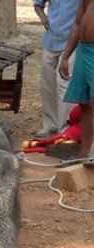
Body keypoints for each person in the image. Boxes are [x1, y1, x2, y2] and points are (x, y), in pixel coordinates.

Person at [34, 0, 79, 139]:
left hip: (72, 43)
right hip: (51, 40)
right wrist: (44, 18)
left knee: (64, 85)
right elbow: (38, 4)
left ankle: (65, 129)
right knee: (47, 85)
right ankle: (50, 126)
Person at [59, 0, 94, 158]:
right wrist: (65, 57)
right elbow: (78, 23)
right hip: (83, 50)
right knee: (85, 104)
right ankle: (85, 154)